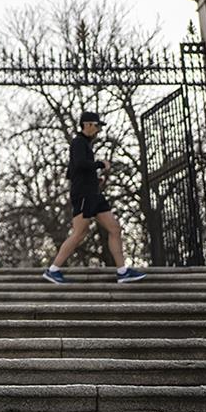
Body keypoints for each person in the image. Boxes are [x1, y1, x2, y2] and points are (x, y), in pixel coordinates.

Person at [42, 112, 146, 285]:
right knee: (79, 233)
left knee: (114, 228)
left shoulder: (85, 145)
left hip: (93, 194)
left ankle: (122, 271)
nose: (98, 130)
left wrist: (94, 178)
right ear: (87, 124)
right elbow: (80, 164)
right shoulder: (78, 143)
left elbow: (72, 171)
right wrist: (99, 164)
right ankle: (53, 270)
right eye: (97, 126)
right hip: (84, 195)